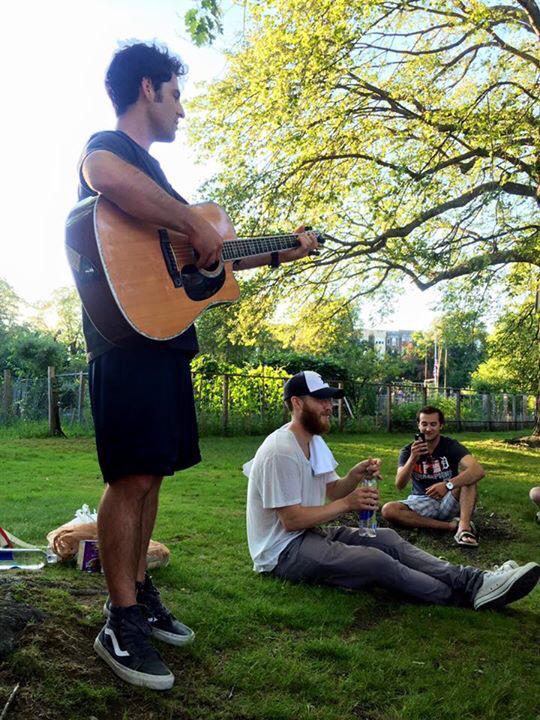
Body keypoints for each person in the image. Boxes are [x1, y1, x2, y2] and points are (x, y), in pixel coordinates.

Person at [77, 41, 318, 691]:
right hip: (124, 339)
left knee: (151, 476)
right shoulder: (114, 148)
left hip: (164, 337)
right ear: (149, 89)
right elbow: (102, 175)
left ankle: (140, 594)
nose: (182, 110)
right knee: (128, 477)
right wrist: (191, 220)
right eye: (176, 95)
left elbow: (209, 264)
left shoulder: (161, 185)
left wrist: (283, 252)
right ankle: (118, 619)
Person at [245, 371, 540, 612]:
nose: (328, 406)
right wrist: (349, 503)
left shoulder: (314, 441)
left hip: (308, 535)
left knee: (384, 538)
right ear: (296, 403)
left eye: (329, 400)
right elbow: (291, 520)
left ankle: (476, 580)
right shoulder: (280, 450)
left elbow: (333, 490)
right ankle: (461, 596)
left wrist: (354, 475)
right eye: (320, 399)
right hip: (282, 551)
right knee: (375, 561)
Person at [381, 406, 484, 547]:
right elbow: (399, 485)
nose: (428, 429)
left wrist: (448, 485)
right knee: (388, 510)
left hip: (449, 498)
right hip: (422, 501)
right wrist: (413, 458)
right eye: (424, 424)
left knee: (469, 478)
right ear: (418, 425)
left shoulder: (450, 446)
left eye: (433, 424)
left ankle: (464, 529)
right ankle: (449, 526)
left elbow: (477, 470)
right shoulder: (408, 451)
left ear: (441, 426)